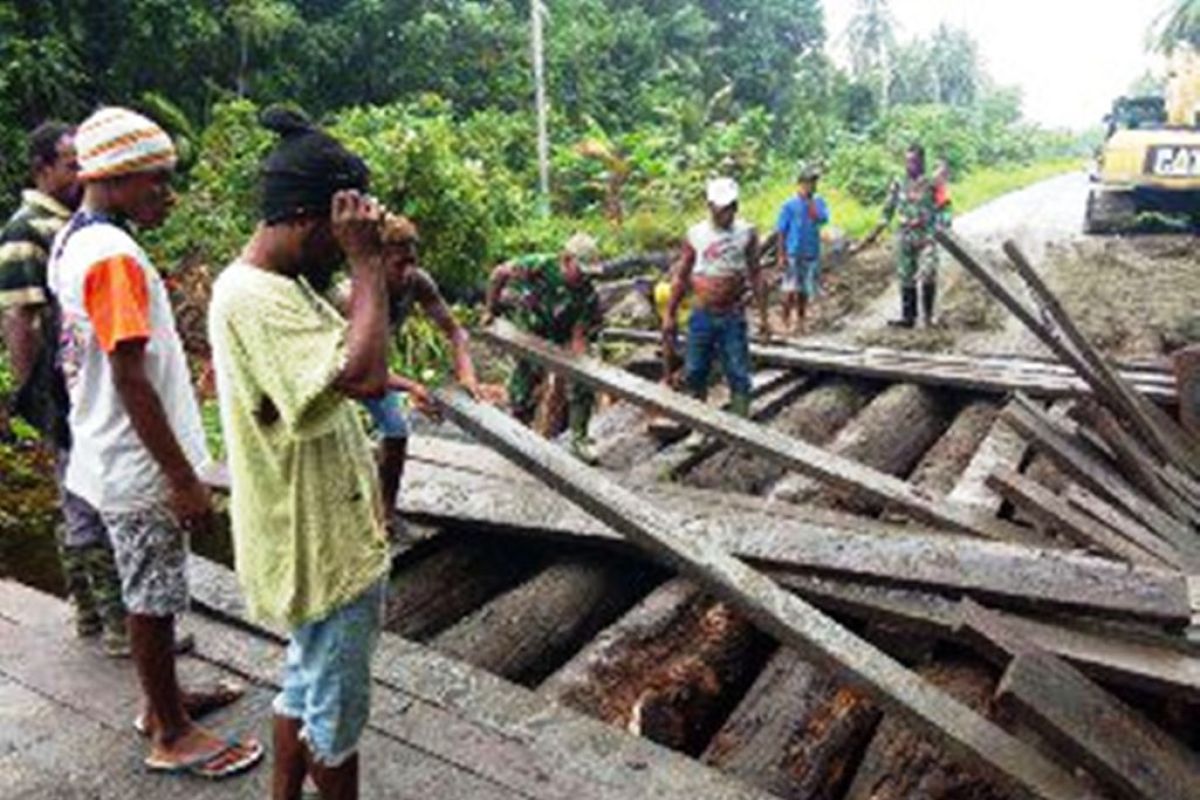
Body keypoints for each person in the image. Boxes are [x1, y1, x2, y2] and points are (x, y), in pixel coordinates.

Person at [47, 107, 262, 777]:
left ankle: (162, 696)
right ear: (114, 176)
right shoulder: (112, 257)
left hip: (104, 446)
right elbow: (132, 378)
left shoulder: (76, 237)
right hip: (137, 461)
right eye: (158, 180)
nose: (167, 194)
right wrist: (182, 477)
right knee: (153, 592)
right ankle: (170, 731)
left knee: (151, 586)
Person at [208, 107, 392, 800]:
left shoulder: (278, 288)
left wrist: (368, 269)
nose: (339, 253)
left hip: (315, 537)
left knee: (299, 684)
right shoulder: (257, 297)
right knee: (334, 720)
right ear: (312, 222)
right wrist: (367, 261)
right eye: (336, 238)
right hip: (323, 553)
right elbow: (363, 376)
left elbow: (350, 355)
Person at [0, 121, 130, 654]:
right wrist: (33, 396)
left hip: (86, 384)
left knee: (84, 495)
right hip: (64, 387)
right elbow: (20, 318)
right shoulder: (26, 229)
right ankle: (115, 622)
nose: (82, 173)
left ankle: (92, 617)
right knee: (87, 499)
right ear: (43, 167)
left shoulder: (74, 221)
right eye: (72, 163)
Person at [333, 212, 479, 525]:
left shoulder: (417, 281)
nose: (408, 270)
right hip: (336, 371)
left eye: (412, 260)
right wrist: (412, 387)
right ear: (379, 260)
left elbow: (455, 332)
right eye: (400, 263)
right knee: (338, 442)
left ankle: (386, 513)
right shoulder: (352, 297)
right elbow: (349, 368)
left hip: (370, 367)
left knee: (396, 430)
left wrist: (466, 375)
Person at [482, 233, 603, 464]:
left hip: (562, 334)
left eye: (590, 273)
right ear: (566, 260)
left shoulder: (587, 292)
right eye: (582, 270)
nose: (585, 277)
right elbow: (498, 274)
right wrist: (491, 308)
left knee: (583, 380)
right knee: (525, 382)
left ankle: (579, 438)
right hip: (531, 330)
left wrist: (580, 363)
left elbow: (579, 334)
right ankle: (517, 431)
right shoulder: (538, 265)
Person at [663, 177, 768, 431]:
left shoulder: (746, 233)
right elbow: (682, 275)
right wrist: (670, 314)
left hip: (732, 314)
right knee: (696, 370)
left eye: (732, 207)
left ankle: (741, 429)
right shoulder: (696, 234)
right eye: (722, 209)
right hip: (702, 314)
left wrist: (764, 317)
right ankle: (699, 428)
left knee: (738, 370)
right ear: (710, 206)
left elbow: (755, 273)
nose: (727, 214)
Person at [873, 143, 949, 328]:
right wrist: (879, 228)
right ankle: (908, 318)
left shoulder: (932, 183)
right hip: (905, 236)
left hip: (927, 236)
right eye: (907, 161)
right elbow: (888, 208)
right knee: (906, 276)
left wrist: (944, 226)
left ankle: (929, 317)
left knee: (928, 272)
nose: (910, 165)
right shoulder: (899, 182)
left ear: (922, 161)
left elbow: (945, 207)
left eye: (914, 161)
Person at [774, 163, 830, 335]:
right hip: (793, 252)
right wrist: (781, 254)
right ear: (800, 184)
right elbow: (781, 231)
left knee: (804, 290)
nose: (811, 186)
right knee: (789, 289)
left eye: (813, 183)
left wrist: (812, 206)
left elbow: (822, 220)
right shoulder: (789, 205)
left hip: (810, 252)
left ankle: (801, 320)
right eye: (807, 183)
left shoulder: (819, 202)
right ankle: (784, 319)